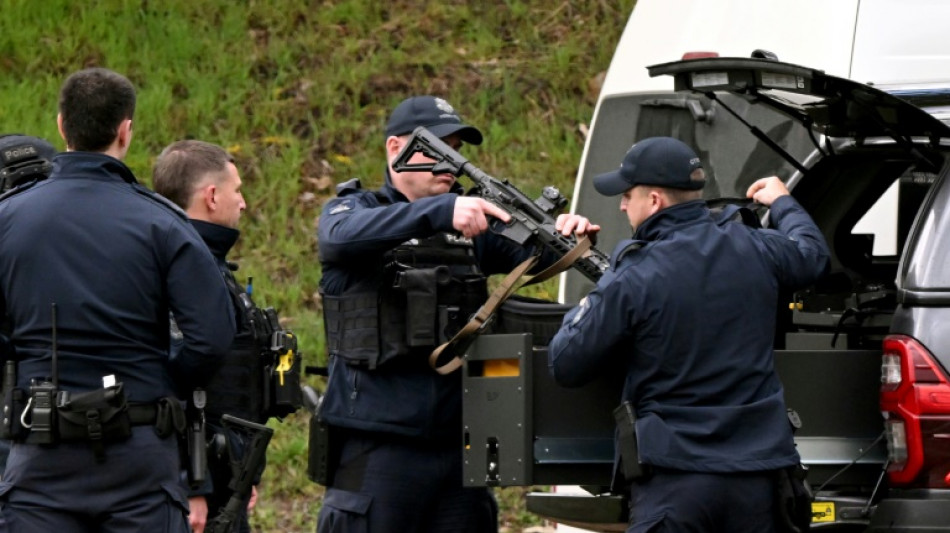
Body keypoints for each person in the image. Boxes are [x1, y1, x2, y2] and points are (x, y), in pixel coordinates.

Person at [315, 95, 600, 532]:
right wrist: (439, 212)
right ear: (396, 149)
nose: (451, 162)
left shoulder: (471, 224)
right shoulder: (357, 212)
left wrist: (566, 234)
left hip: (457, 453)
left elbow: (535, 253)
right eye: (437, 147)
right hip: (376, 450)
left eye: (457, 149)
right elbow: (338, 238)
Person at [547, 137, 830, 532]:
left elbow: (565, 362)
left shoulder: (634, 273)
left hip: (676, 483)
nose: (622, 205)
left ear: (656, 200)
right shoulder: (756, 247)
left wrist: (597, 291)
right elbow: (813, 257)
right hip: (760, 481)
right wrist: (782, 201)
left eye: (628, 195)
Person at [0, 68, 236, 532]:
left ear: (62, 125)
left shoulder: (9, 218)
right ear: (126, 131)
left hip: (39, 454)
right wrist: (157, 378)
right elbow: (212, 337)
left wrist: (24, 363)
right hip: (139, 456)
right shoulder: (163, 223)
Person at [152, 139, 261, 533]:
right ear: (212, 196)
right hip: (198, 486)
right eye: (237, 190)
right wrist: (192, 483)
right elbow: (170, 382)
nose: (243, 202)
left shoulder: (206, 263)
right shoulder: (180, 265)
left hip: (225, 473)